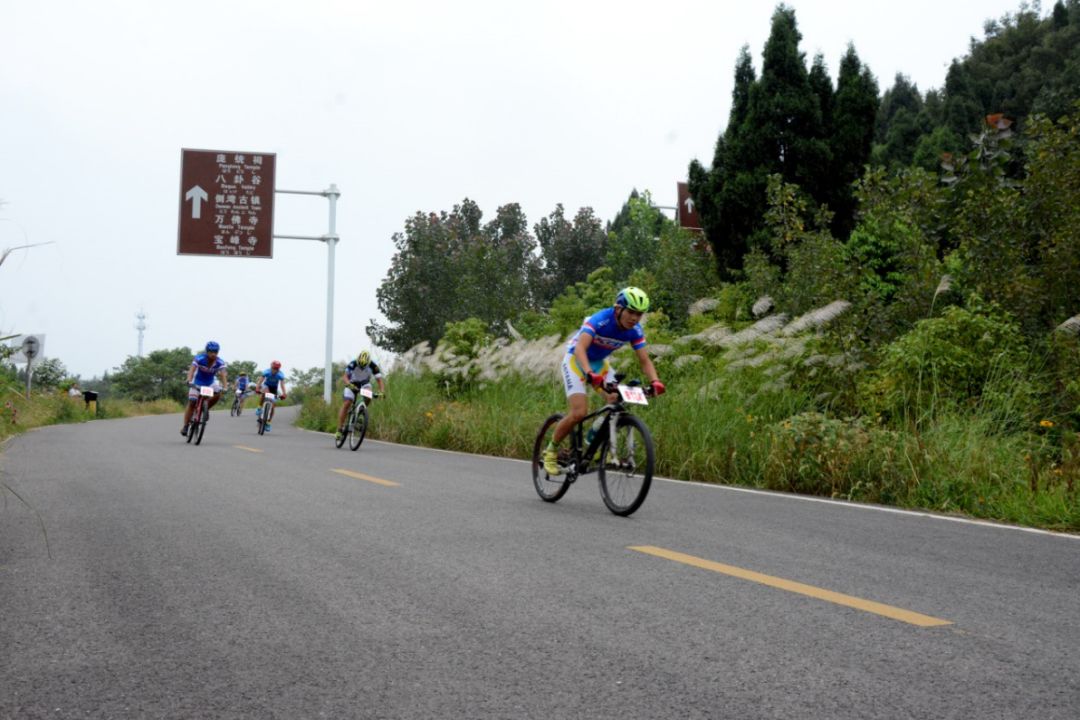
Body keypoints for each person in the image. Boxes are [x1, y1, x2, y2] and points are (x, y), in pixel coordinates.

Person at [542, 287, 665, 476]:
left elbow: (644, 360)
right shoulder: (600, 320)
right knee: (579, 412)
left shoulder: (635, 331)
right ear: (618, 309)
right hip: (576, 360)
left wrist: (655, 381)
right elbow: (580, 348)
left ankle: (593, 443)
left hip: (599, 364)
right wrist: (589, 373)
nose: (634, 318)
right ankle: (551, 451)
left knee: (615, 400)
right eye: (631, 312)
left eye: (639, 314)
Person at [336, 350, 386, 442]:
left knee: (369, 395)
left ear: (368, 363)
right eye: (360, 365)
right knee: (347, 403)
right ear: (358, 360)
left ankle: (361, 411)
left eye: (364, 366)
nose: (361, 367)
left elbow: (379, 380)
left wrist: (382, 392)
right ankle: (340, 428)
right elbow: (345, 377)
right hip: (352, 383)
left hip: (364, 384)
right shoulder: (353, 363)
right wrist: (349, 384)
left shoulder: (373, 366)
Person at [182, 341, 228, 436]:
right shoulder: (199, 358)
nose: (213, 354)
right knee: (192, 402)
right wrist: (189, 379)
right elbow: (192, 370)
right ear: (207, 351)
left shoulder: (220, 362)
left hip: (210, 383)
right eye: (211, 351)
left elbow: (223, 374)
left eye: (215, 352)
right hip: (197, 381)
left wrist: (225, 386)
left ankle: (205, 409)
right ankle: (186, 426)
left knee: (218, 393)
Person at [254, 361, 287, 432]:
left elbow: (282, 385)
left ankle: (268, 422)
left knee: (273, 406)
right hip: (266, 385)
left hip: (274, 388)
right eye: (274, 368)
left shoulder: (280, 375)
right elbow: (260, 381)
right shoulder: (266, 372)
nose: (275, 370)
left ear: (279, 369)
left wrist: (284, 393)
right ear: (271, 367)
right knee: (265, 392)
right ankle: (259, 407)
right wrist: (257, 388)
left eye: (277, 369)